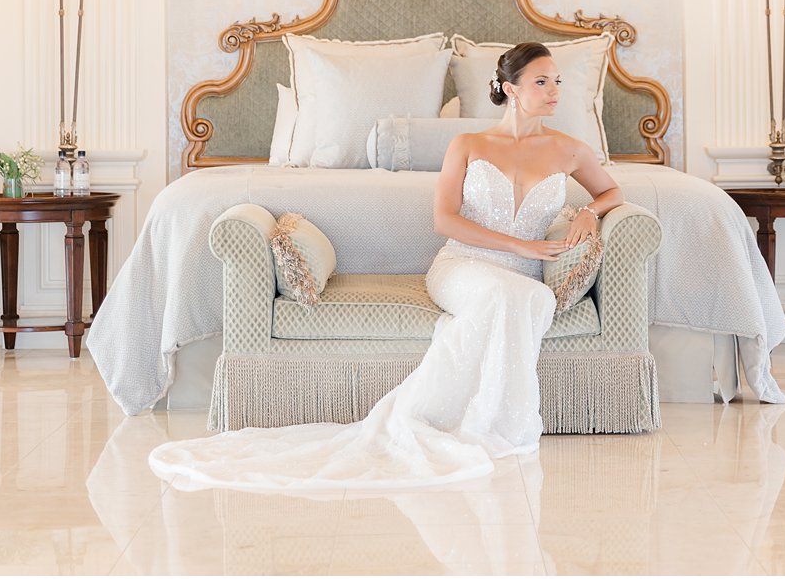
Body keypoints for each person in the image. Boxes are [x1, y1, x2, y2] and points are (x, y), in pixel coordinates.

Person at [148, 42, 624, 490]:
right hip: (465, 265)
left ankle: (497, 420)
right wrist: (519, 247)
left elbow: (612, 192)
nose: (555, 91)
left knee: (533, 295)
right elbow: (445, 220)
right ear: (512, 88)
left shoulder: (570, 149)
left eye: (558, 81)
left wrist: (588, 212)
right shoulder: (468, 144)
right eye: (542, 82)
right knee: (508, 296)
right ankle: (480, 425)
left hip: (526, 273)